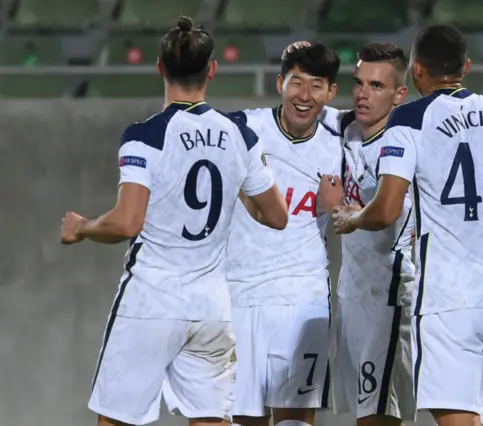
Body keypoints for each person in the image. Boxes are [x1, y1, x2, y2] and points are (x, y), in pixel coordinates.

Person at [332, 24, 483, 426]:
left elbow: (386, 209)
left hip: (449, 299)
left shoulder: (410, 120)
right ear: (465, 66)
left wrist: (349, 217)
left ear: (416, 72)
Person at [59, 16, 288, 426]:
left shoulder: (145, 136)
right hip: (211, 308)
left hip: (152, 301)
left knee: (116, 419)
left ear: (160, 67)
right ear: (212, 70)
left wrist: (82, 227)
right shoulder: (240, 136)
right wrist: (236, 183)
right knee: (210, 420)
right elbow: (276, 215)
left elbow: (127, 223)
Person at [224, 43, 344, 426]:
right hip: (240, 295)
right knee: (244, 420)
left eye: (316, 85)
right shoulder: (242, 129)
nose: (304, 96)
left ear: (331, 93)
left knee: (295, 421)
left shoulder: (341, 140)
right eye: (296, 82)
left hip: (302, 298)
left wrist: (338, 208)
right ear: (279, 83)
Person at [312, 42, 418, 426]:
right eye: (358, 83)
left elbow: (387, 214)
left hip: (389, 294)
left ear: (399, 94)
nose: (362, 93)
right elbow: (290, 113)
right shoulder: (343, 128)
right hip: (353, 292)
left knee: (378, 417)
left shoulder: (404, 143)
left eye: (376, 85)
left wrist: (340, 210)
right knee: (365, 413)